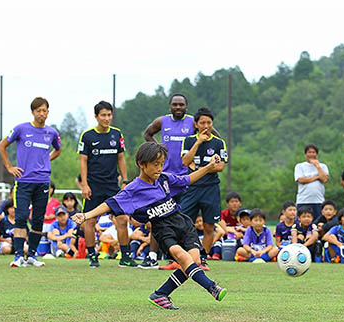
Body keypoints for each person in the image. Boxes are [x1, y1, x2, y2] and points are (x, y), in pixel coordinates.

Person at [71, 142, 227, 310]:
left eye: (161, 164)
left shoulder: (164, 179)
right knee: (183, 258)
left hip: (182, 223)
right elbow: (109, 204)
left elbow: (187, 179)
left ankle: (161, 294)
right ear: (141, 164)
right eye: (155, 165)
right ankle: (212, 287)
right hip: (163, 229)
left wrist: (209, 167)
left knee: (193, 261)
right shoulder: (133, 189)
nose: (159, 168)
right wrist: (86, 215)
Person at [0, 97, 62, 268]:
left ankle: (32, 255)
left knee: (38, 220)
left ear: (48, 112)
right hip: (24, 182)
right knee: (21, 218)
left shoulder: (52, 133)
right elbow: (2, 146)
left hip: (42, 182)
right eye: (38, 110)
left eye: (44, 110)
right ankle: (19, 256)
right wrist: (9, 167)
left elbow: (58, 149)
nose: (42, 114)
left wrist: (46, 159)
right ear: (33, 112)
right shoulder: (21, 129)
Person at [142, 94, 201, 270]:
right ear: (170, 106)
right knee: (157, 216)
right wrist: (157, 150)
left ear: (186, 106)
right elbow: (147, 134)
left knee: (182, 219)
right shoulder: (162, 121)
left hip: (184, 178)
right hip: (163, 177)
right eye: (175, 104)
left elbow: (212, 135)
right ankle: (152, 257)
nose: (178, 107)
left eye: (181, 104)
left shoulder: (192, 122)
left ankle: (180, 258)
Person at [77, 100, 134, 268]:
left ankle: (125, 256)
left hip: (112, 187)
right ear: (96, 116)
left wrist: (125, 181)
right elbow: (83, 162)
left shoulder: (117, 134)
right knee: (90, 221)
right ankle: (92, 256)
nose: (107, 118)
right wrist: (84, 185)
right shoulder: (87, 136)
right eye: (103, 115)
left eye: (109, 115)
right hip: (93, 186)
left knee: (122, 219)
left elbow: (121, 158)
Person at [180, 107, 227, 270]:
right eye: (202, 123)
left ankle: (203, 259)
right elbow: (185, 162)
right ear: (196, 124)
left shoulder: (219, 142)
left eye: (209, 122)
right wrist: (199, 142)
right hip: (191, 187)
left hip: (211, 188)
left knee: (208, 226)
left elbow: (220, 166)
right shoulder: (189, 141)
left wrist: (199, 168)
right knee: (185, 224)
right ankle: (182, 259)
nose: (206, 126)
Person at [294, 144, 329, 220]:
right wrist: (317, 177)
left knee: (319, 224)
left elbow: (324, 179)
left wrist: (317, 166)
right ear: (305, 154)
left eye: (313, 152)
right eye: (309, 152)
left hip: (318, 201)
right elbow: (301, 180)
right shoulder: (299, 166)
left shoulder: (323, 166)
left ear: (317, 154)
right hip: (303, 200)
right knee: (301, 224)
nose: (311, 154)